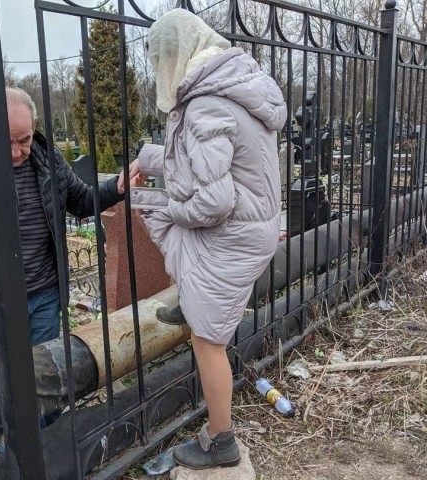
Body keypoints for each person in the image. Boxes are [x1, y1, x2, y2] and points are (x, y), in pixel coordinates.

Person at [129, 9, 286, 469]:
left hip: (233, 232)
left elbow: (213, 201)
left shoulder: (205, 103)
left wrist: (165, 206)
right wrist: (149, 160)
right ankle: (195, 301)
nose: (161, 70)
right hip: (251, 226)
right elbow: (204, 160)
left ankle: (221, 441)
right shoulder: (231, 86)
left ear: (178, 55)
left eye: (162, 59)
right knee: (184, 245)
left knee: (207, 340)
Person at [0, 86, 141, 369]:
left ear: (34, 128)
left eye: (25, 140)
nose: (18, 152)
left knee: (45, 376)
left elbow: (81, 201)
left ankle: (48, 417)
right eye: (7, 142)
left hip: (44, 295)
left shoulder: (48, 160)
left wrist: (116, 187)